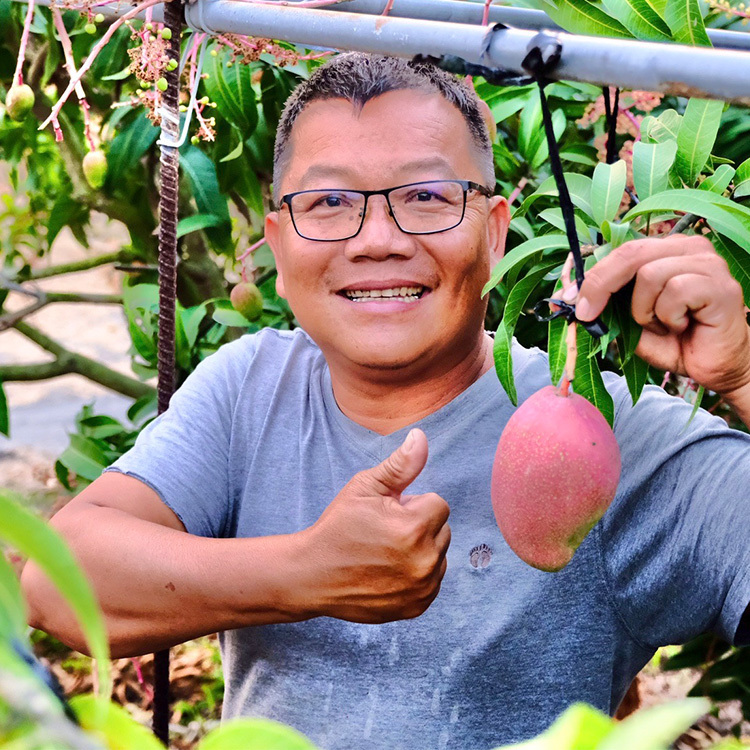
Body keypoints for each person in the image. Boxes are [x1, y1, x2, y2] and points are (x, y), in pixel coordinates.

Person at [21, 53, 750, 750]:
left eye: (426, 197)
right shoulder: (251, 386)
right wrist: (306, 572)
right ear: (276, 247)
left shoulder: (610, 433)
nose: (376, 240)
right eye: (329, 201)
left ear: (495, 234)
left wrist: (744, 377)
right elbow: (57, 582)